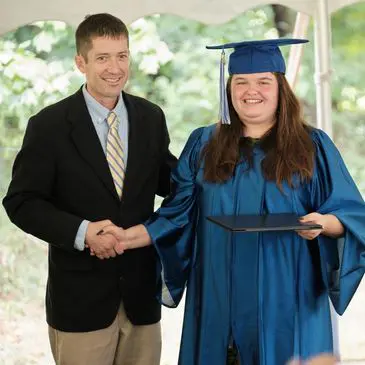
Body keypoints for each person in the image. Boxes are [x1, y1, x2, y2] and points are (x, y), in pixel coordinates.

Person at [101, 38, 365, 365]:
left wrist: (323, 224)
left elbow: (352, 216)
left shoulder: (312, 146)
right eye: (241, 82)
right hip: (217, 295)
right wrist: (126, 237)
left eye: (263, 82)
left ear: (282, 89)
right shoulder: (204, 144)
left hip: (286, 298)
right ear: (229, 90)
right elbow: (176, 214)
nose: (250, 91)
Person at [2, 13, 176, 365]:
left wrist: (222, 160)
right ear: (80, 62)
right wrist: (83, 233)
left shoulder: (150, 117)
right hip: (81, 302)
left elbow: (171, 183)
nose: (115, 68)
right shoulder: (48, 126)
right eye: (102, 57)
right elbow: (21, 202)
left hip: (142, 299)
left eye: (122, 56)